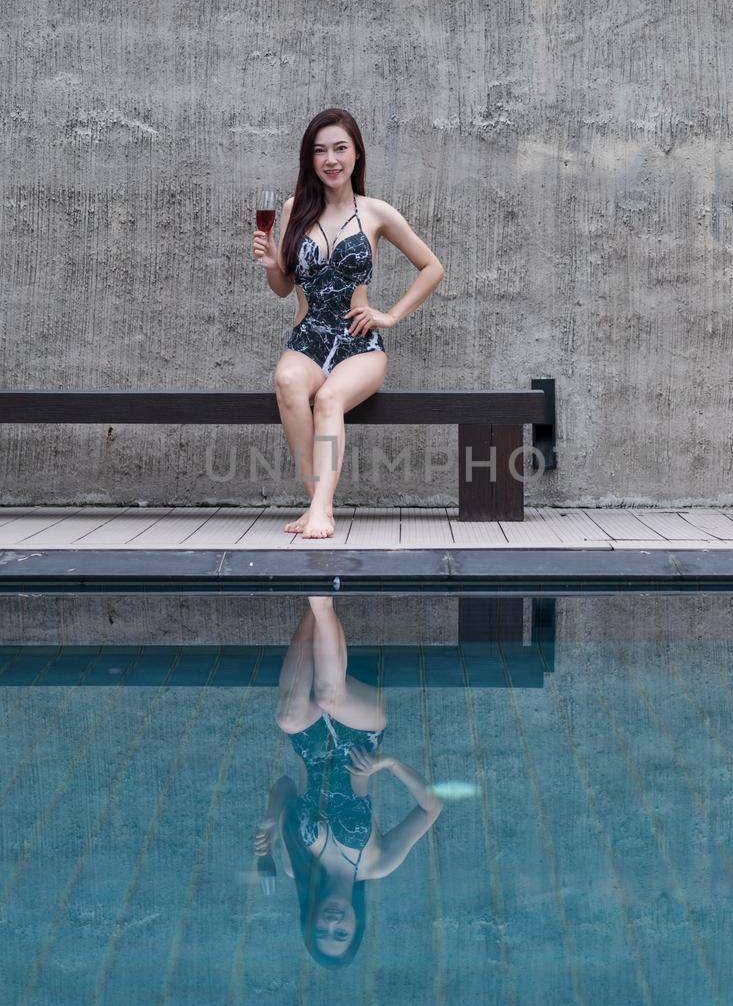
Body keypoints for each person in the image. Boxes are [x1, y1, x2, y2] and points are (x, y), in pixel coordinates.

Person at [251, 109, 445, 540]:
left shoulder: (376, 212)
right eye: (320, 151)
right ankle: (318, 502)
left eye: (340, 148)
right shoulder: (292, 209)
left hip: (358, 343)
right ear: (310, 159)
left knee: (331, 398)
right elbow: (283, 288)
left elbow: (431, 267)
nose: (330, 159)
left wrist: (390, 315)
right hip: (308, 338)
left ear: (356, 154)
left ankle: (320, 510)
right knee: (287, 381)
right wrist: (270, 263)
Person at [253, 596, 444, 967]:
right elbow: (431, 806)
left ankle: (316, 601)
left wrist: (271, 821)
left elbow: (285, 786)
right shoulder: (377, 864)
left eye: (321, 932)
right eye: (342, 933)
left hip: (309, 742)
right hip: (363, 732)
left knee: (288, 719)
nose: (332, 924)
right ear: (357, 925)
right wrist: (389, 764)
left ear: (310, 922)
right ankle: (321, 600)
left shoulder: (297, 865)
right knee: (328, 696)